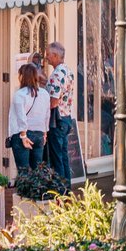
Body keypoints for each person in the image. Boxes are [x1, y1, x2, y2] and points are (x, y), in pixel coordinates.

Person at [8, 62, 50, 172]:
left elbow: (21, 117)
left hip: (22, 135)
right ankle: (37, 190)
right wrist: (45, 134)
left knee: (24, 171)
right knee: (37, 172)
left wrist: (23, 135)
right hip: (39, 134)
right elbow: (46, 115)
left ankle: (25, 190)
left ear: (22, 76)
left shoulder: (20, 94)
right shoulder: (44, 93)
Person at [44, 41, 75, 182]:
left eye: (48, 54)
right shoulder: (68, 71)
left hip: (57, 120)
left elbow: (53, 102)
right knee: (63, 157)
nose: (46, 57)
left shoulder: (56, 75)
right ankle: (66, 191)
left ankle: (60, 192)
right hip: (66, 117)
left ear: (55, 55)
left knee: (57, 159)